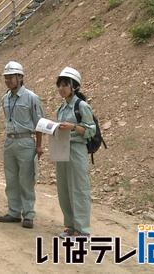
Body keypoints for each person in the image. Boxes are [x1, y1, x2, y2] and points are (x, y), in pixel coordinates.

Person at [0, 61, 44, 229]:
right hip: (10, 141)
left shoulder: (31, 97)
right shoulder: (5, 99)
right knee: (11, 179)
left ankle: (28, 214)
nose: (8, 80)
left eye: (11, 77)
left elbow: (39, 123)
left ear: (20, 77)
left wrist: (38, 146)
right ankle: (14, 212)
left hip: (25, 141)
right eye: (6, 77)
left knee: (26, 179)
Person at [54, 67, 96, 239]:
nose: (61, 88)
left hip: (77, 149)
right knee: (64, 188)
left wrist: (72, 127)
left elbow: (91, 130)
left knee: (78, 189)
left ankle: (82, 229)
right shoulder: (62, 107)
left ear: (74, 86)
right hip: (62, 148)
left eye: (65, 85)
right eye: (59, 85)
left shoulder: (81, 106)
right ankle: (70, 226)